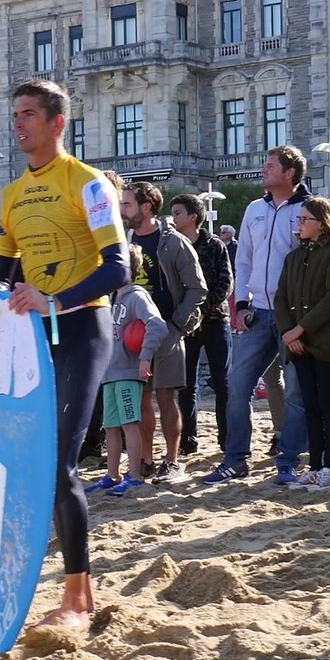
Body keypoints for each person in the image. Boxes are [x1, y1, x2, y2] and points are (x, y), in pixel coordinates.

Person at [0, 78, 128, 631]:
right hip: (30, 337)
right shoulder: (12, 194)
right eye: (13, 115)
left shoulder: (87, 185)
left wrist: (55, 298)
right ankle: (74, 596)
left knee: (58, 463)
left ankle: (76, 602)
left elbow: (119, 268)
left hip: (83, 329)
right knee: (34, 463)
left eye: (28, 115)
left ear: (57, 122)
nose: (17, 124)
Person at [205, 146, 312, 486]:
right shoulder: (254, 209)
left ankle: (290, 459)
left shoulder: (309, 211)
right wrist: (241, 305)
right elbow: (245, 260)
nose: (263, 170)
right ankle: (236, 459)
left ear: (290, 173)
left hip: (293, 316)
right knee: (237, 386)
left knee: (295, 390)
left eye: (270, 166)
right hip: (258, 313)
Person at [120, 182, 206, 481]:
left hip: (166, 330)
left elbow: (198, 288)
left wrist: (178, 325)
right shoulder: (123, 241)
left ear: (146, 207)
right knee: (141, 397)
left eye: (128, 204)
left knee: (166, 396)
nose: (123, 210)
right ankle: (145, 459)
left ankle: (171, 459)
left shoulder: (173, 242)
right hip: (132, 334)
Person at [276, 197, 330, 492]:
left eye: (305, 219)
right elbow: (281, 297)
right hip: (299, 343)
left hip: (325, 341)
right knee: (310, 405)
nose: (300, 224)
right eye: (299, 219)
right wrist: (288, 332)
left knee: (327, 404)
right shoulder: (294, 258)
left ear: (322, 222)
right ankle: (316, 464)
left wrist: (299, 330)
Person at [87, 245, 168, 497]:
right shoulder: (114, 299)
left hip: (127, 372)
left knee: (129, 423)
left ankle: (135, 476)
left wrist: (145, 358)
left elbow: (157, 325)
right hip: (110, 373)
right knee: (110, 427)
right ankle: (113, 474)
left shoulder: (137, 296)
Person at [169, 193, 232, 456]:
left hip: (216, 322)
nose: (173, 218)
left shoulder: (215, 245)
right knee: (186, 385)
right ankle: (188, 440)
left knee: (222, 383)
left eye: (178, 213)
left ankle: (227, 439)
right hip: (186, 326)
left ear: (193, 217)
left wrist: (202, 313)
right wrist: (186, 318)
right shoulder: (172, 246)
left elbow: (226, 282)